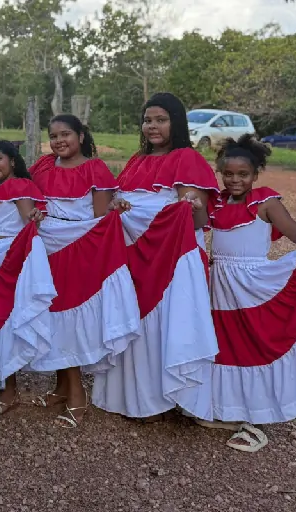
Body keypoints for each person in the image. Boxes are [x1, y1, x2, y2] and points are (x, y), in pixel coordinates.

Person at [199, 135, 296, 452]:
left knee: (254, 344)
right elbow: (198, 225)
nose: (234, 180)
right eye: (228, 174)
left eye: (243, 174)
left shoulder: (266, 202)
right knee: (225, 345)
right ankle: (225, 408)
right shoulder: (216, 202)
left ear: (256, 174)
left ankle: (256, 418)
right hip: (220, 285)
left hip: (252, 285)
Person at [92, 92, 219, 421]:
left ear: (176, 122)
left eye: (161, 119)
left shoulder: (187, 159)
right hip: (134, 259)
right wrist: (117, 208)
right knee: (140, 326)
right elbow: (115, 206)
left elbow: (198, 220)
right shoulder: (136, 161)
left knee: (168, 323)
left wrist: (191, 205)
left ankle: (176, 397)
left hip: (172, 261)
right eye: (148, 120)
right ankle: (140, 401)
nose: (152, 126)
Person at [28, 115, 140, 428]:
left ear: (80, 135)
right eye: (53, 136)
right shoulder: (43, 167)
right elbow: (31, 201)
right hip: (48, 251)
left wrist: (116, 211)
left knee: (70, 321)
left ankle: (78, 396)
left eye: (66, 134)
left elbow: (100, 219)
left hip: (79, 252)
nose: (59, 141)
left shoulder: (95, 168)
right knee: (52, 318)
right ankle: (61, 388)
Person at [0, 140, 54, 416]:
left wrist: (34, 217)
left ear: (13, 161)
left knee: (2, 319)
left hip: (5, 261)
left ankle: (9, 390)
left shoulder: (19, 185)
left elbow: (28, 217)